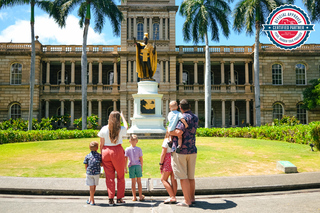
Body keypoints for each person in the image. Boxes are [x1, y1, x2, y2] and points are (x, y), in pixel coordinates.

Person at [170, 99, 198, 207]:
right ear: (189, 106)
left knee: (183, 177)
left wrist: (169, 132)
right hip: (192, 149)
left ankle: (187, 201)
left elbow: (179, 132)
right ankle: (192, 198)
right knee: (191, 177)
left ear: (180, 108)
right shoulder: (195, 117)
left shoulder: (182, 117)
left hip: (181, 151)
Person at [98, 111, 128, 206]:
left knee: (109, 177)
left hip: (106, 151)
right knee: (120, 176)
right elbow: (127, 127)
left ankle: (111, 198)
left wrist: (101, 155)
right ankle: (119, 198)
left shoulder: (104, 128)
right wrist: (123, 117)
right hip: (117, 151)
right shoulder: (120, 129)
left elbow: (101, 144)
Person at [125, 134, 145, 202]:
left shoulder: (127, 149)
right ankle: (140, 196)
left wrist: (125, 167)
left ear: (129, 141)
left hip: (131, 166)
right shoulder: (139, 149)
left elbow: (126, 159)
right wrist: (141, 167)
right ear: (137, 141)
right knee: (139, 181)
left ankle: (134, 196)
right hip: (138, 166)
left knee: (133, 182)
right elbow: (141, 159)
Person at [159, 132, 177, 204]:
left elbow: (163, 153)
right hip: (175, 158)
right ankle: (173, 196)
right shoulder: (176, 139)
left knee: (163, 179)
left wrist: (161, 163)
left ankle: (172, 197)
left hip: (167, 159)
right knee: (173, 179)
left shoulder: (166, 140)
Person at [83, 141, 102, 206]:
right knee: (94, 187)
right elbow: (101, 164)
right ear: (97, 148)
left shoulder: (87, 156)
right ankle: (92, 199)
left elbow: (86, 164)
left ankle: (91, 199)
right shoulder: (99, 156)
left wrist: (87, 171)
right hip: (96, 173)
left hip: (89, 172)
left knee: (91, 187)